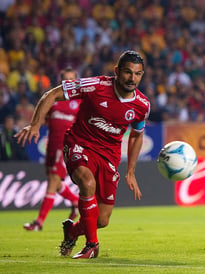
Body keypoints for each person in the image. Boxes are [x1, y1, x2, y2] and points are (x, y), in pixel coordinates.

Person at [15, 50, 150, 259]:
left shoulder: (142, 105)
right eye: (128, 72)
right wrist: (35, 124)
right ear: (117, 71)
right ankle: (91, 245)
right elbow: (51, 94)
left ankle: (72, 231)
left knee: (102, 220)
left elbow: (136, 135)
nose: (133, 78)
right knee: (87, 183)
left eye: (138, 74)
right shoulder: (96, 86)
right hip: (80, 144)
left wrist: (130, 171)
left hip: (109, 156)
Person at [23, 68, 81, 231]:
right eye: (66, 79)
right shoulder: (54, 99)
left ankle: (39, 222)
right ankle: (76, 202)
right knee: (54, 182)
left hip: (64, 146)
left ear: (76, 81)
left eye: (72, 79)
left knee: (52, 181)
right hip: (51, 145)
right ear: (61, 81)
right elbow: (43, 118)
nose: (69, 82)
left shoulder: (79, 101)